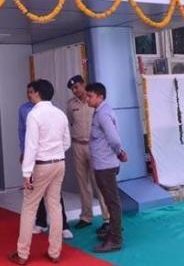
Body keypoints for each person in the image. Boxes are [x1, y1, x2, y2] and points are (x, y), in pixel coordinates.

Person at [9, 79, 71, 265]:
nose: (29, 95)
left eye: (31, 92)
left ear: (37, 93)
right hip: (59, 163)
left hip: (41, 165)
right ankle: (54, 252)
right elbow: (66, 142)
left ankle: (22, 254)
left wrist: (26, 172)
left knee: (29, 208)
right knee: (55, 206)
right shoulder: (60, 114)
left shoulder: (34, 114)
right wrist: (56, 153)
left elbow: (31, 146)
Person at [86, 82, 128, 253]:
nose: (87, 99)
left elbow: (114, 139)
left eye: (90, 96)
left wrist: (119, 152)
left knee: (112, 202)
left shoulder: (102, 114)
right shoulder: (101, 111)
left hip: (105, 165)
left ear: (100, 97)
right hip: (103, 163)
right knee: (111, 201)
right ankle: (113, 232)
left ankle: (116, 239)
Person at [65, 75, 109, 229]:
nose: (75, 91)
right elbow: (71, 122)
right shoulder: (70, 105)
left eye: (77, 87)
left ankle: (107, 218)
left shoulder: (94, 101)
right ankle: (86, 216)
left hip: (94, 146)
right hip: (77, 145)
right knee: (83, 183)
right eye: (72, 89)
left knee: (99, 182)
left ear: (83, 84)